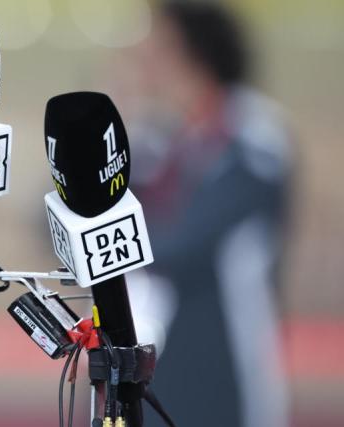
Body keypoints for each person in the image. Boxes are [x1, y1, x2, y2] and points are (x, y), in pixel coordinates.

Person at [120, 2, 292, 426]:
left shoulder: (254, 139)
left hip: (223, 361)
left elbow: (182, 245)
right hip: (160, 360)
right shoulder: (166, 139)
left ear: (193, 56)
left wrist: (107, 237)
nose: (143, 63)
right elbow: (59, 208)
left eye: (157, 50)